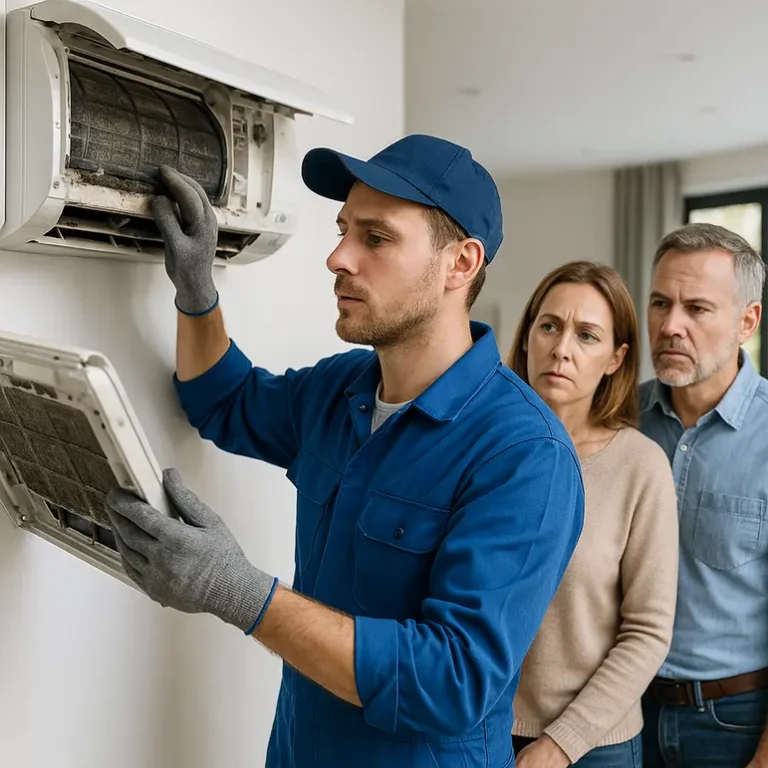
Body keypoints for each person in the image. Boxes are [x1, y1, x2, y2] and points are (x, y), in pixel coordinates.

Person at [103, 134, 585, 768]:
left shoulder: (525, 455)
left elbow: (453, 683)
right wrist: (197, 291)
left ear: (460, 264)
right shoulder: (341, 389)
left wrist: (238, 592)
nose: (337, 257)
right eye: (342, 230)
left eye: (375, 238)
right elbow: (224, 401)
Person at [507, 261, 679, 767]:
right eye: (550, 326)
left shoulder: (640, 466)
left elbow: (648, 631)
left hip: (594, 748)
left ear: (615, 358)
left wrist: (560, 744)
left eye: (587, 335)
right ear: (528, 336)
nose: (562, 348)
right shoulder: (484, 452)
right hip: (477, 731)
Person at [638, 222, 768, 768]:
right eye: (661, 303)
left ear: (747, 321)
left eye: (697, 308)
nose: (671, 326)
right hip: (625, 715)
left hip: (735, 722)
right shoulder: (617, 420)